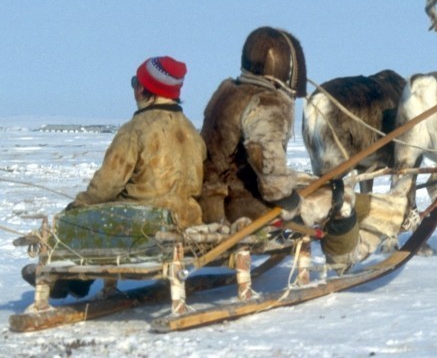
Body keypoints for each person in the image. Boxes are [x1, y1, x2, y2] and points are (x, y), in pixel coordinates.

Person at [22, 56, 207, 298]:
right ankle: (79, 281)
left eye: (135, 82)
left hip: (145, 228)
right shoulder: (193, 132)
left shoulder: (135, 130)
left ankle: (64, 278)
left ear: (142, 88)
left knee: (78, 216)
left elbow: (105, 187)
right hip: (187, 223)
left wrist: (76, 207)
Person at [198, 27, 360, 268]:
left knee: (313, 185)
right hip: (241, 208)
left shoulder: (229, 91)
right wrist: (291, 201)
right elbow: (270, 172)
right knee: (341, 195)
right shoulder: (267, 103)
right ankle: (342, 265)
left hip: (211, 198)